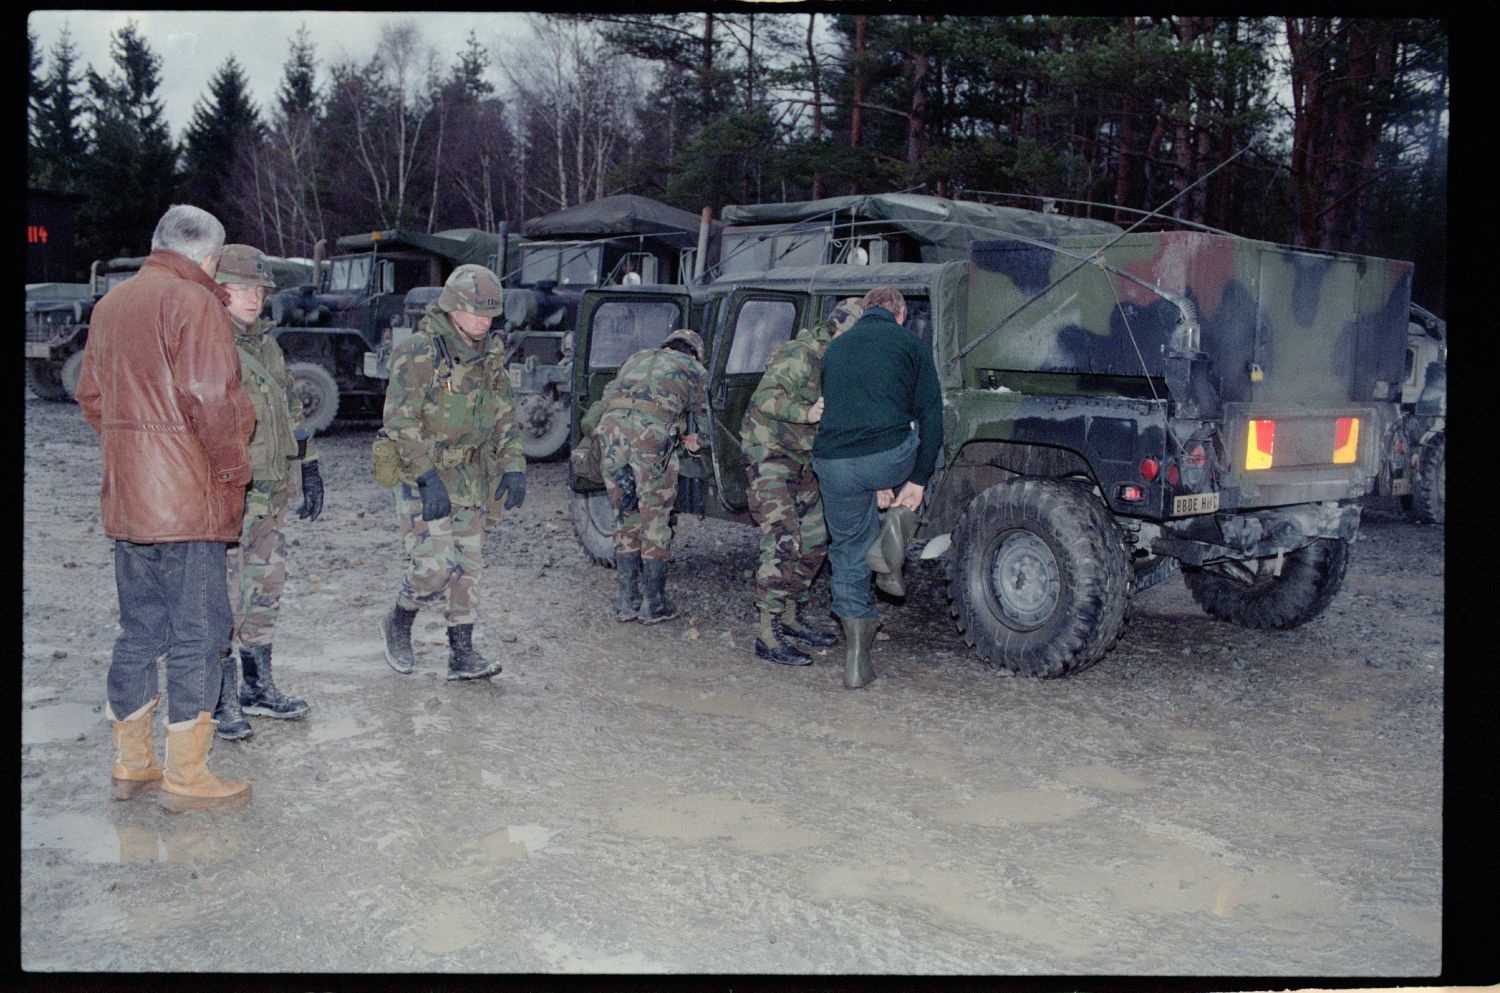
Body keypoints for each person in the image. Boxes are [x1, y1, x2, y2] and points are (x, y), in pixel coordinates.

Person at [75, 204, 256, 811]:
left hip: (129, 504)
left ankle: (133, 764)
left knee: (139, 631)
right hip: (185, 506)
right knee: (197, 635)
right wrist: (231, 472)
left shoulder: (111, 305)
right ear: (207, 256)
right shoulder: (195, 303)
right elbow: (211, 398)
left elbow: (92, 397)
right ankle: (188, 774)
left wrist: (136, 452)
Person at [379, 264, 525, 681]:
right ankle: (398, 622)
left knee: (468, 568)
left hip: (473, 475)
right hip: (421, 471)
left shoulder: (490, 357)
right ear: (452, 308)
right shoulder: (420, 351)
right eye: (476, 311)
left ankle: (462, 653)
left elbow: (504, 419)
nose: (484, 321)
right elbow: (399, 421)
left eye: (490, 314)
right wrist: (426, 477)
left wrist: (513, 467)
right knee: (433, 567)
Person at [209, 244, 320, 741]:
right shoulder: (210, 344)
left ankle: (257, 687)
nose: (254, 298)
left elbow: (290, 407)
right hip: (234, 494)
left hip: (272, 492)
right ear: (218, 291)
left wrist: (311, 465)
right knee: (226, 599)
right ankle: (221, 697)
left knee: (266, 589)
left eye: (260, 290)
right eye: (243, 289)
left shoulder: (265, 343)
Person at [810, 286, 943, 689]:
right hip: (888, 455)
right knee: (919, 434)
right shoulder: (911, 344)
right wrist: (917, 480)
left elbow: (843, 410)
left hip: (834, 463)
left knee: (846, 547)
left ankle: (855, 661)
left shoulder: (835, 350)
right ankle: (892, 539)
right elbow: (932, 415)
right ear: (900, 313)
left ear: (865, 311)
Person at [740, 298, 865, 666]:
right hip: (770, 451)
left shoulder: (843, 360)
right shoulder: (801, 353)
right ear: (838, 328)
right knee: (783, 536)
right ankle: (767, 631)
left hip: (805, 455)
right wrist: (805, 412)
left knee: (814, 538)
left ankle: (792, 614)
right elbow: (765, 398)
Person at [594, 328, 709, 624]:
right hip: (649, 438)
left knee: (625, 513)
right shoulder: (694, 368)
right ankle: (654, 603)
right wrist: (699, 439)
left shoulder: (636, 358)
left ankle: (626, 600)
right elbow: (705, 414)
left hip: (611, 434)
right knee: (655, 518)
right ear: (694, 352)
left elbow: (608, 397)